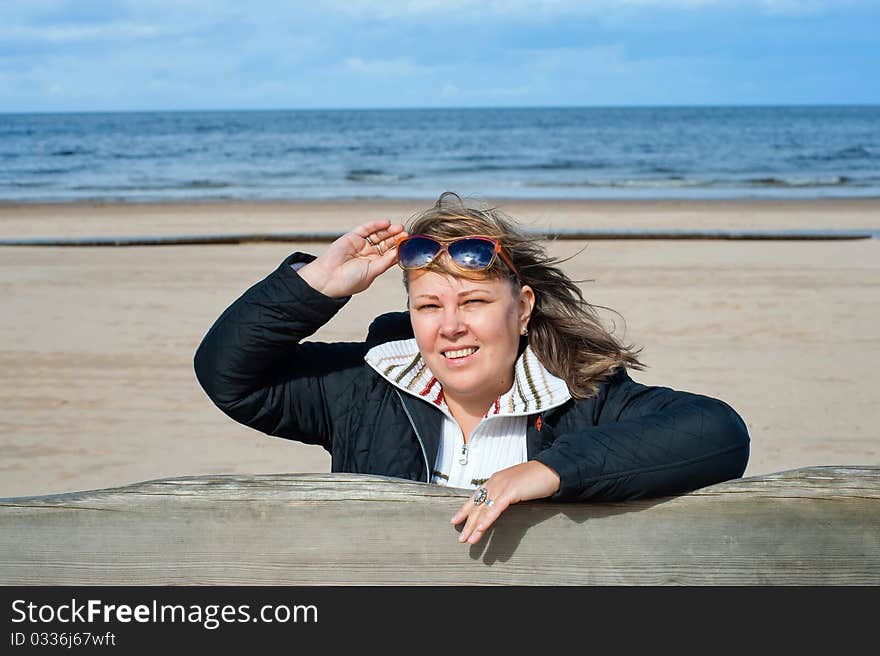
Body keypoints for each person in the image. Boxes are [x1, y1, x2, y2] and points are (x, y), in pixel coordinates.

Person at [194, 192, 749, 546]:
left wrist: (548, 471)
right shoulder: (364, 389)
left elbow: (719, 433)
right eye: (429, 306)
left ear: (523, 307)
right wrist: (317, 284)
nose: (450, 327)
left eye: (475, 303)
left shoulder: (583, 396)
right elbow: (230, 376)